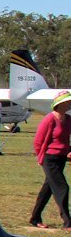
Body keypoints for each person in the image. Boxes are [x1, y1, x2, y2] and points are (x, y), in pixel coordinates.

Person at [28, 91, 71, 229]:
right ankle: (68, 222)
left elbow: (66, 140)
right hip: (49, 158)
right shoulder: (49, 119)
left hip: (62, 157)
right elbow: (38, 142)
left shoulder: (68, 119)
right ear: (59, 104)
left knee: (48, 189)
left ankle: (35, 218)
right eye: (67, 102)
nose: (69, 104)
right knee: (62, 188)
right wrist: (40, 158)